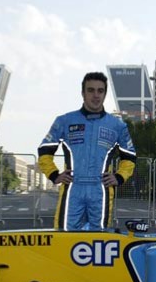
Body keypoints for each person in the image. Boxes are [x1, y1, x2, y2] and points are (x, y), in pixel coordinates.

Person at [38, 72, 136, 230]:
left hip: (101, 190)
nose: (96, 95)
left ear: (105, 94)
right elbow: (44, 151)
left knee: (99, 240)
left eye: (100, 91)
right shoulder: (64, 121)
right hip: (72, 188)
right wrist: (54, 175)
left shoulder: (117, 125)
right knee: (65, 236)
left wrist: (119, 177)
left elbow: (130, 156)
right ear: (83, 93)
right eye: (91, 90)